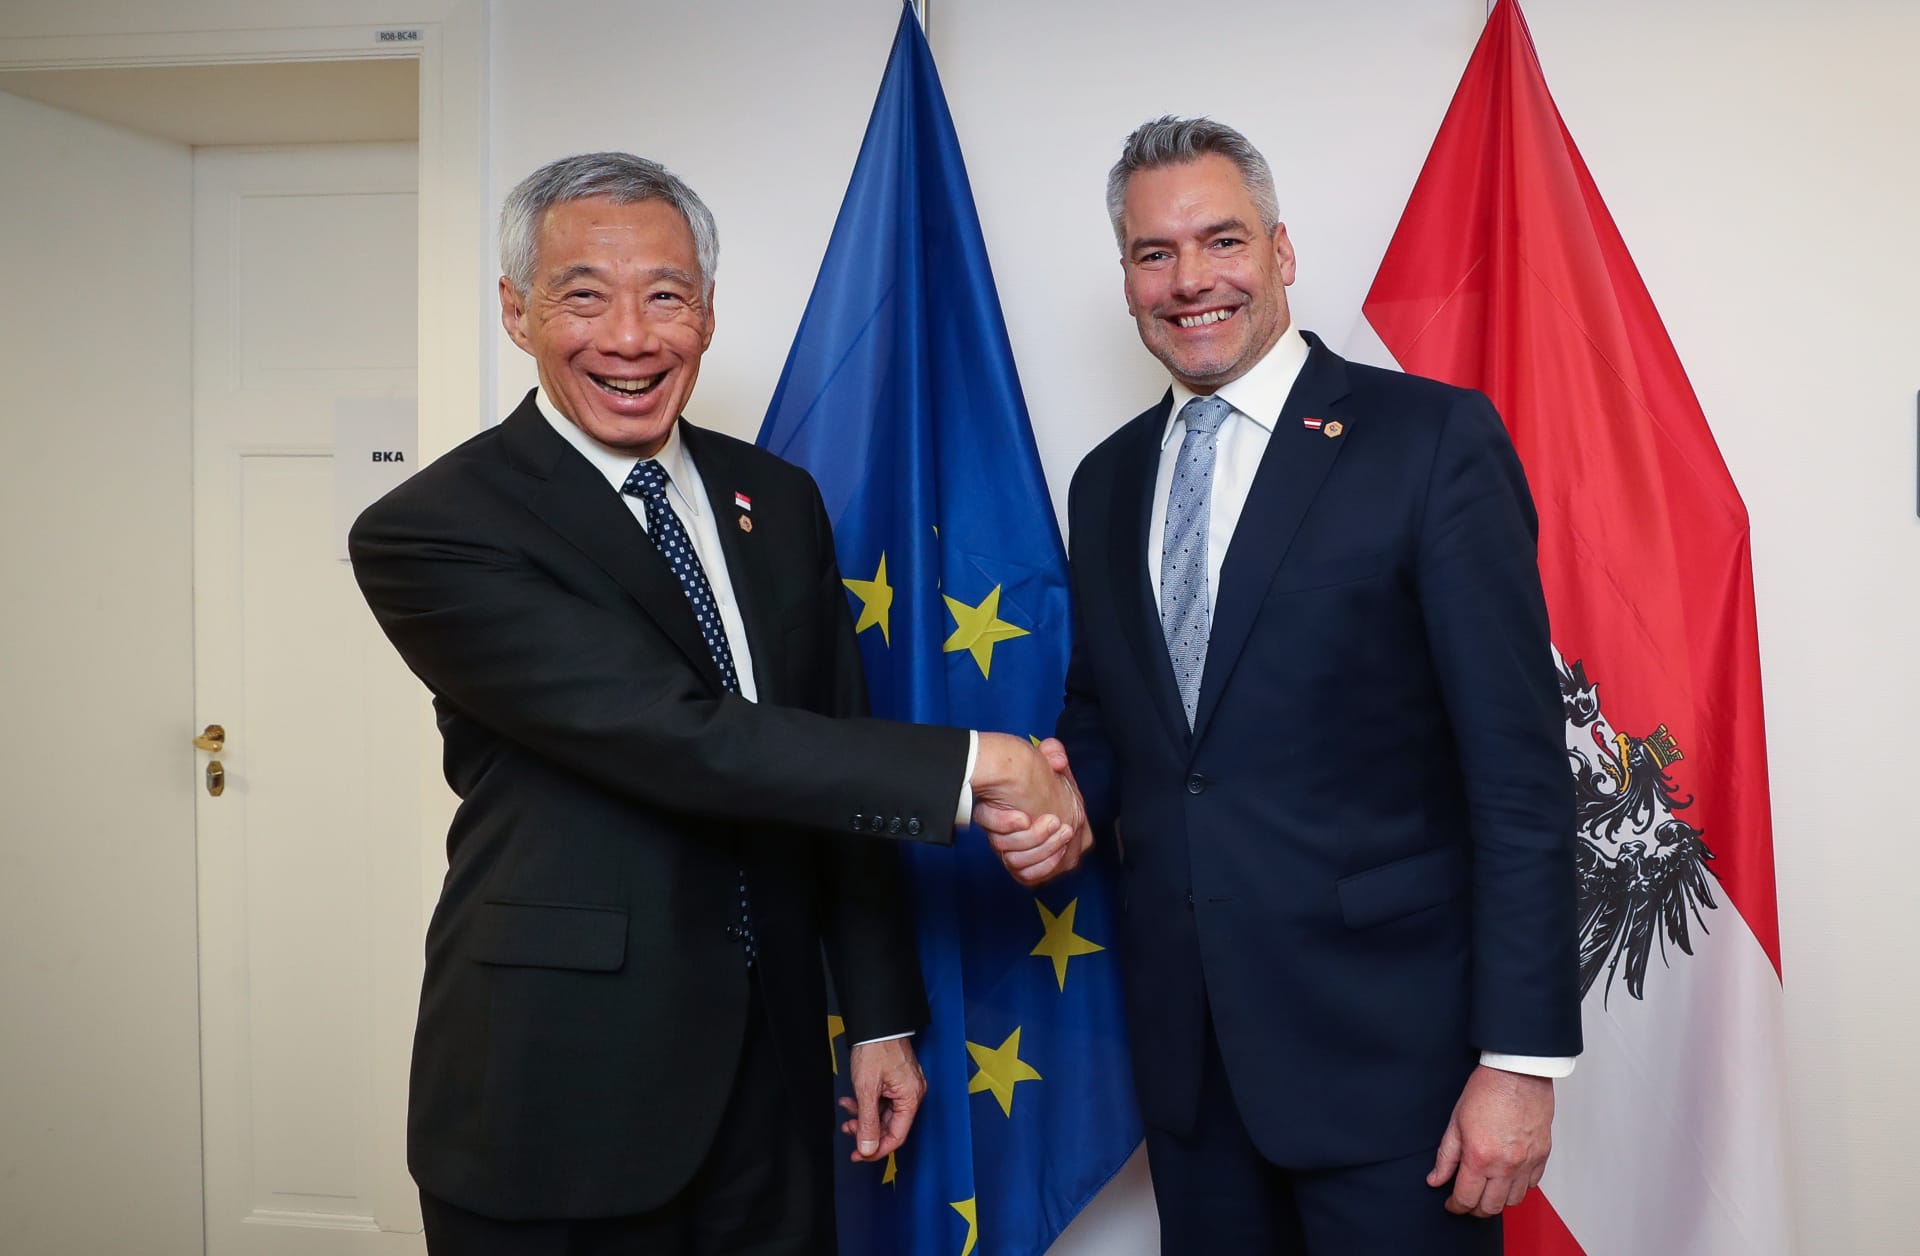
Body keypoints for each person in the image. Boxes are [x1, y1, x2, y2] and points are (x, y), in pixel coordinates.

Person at [349, 151, 1082, 1256]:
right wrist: (982, 765)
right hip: (562, 1091)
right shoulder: (436, 528)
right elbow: (677, 736)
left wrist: (878, 1014)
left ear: (707, 312)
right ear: (515, 311)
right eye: (583, 295)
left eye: (666, 297)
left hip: (774, 1079)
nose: (631, 338)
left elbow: (829, 748)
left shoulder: (774, 499)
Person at [1039, 116, 1580, 1254]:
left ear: (1280, 251)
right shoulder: (1105, 480)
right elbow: (1111, 711)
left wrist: (1520, 1060)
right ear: (1127, 279)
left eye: (1223, 240)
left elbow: (1520, 773)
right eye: (1154, 253)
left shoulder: (1430, 440)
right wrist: (1062, 793)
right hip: (1194, 1072)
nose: (1191, 280)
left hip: (1399, 1075)